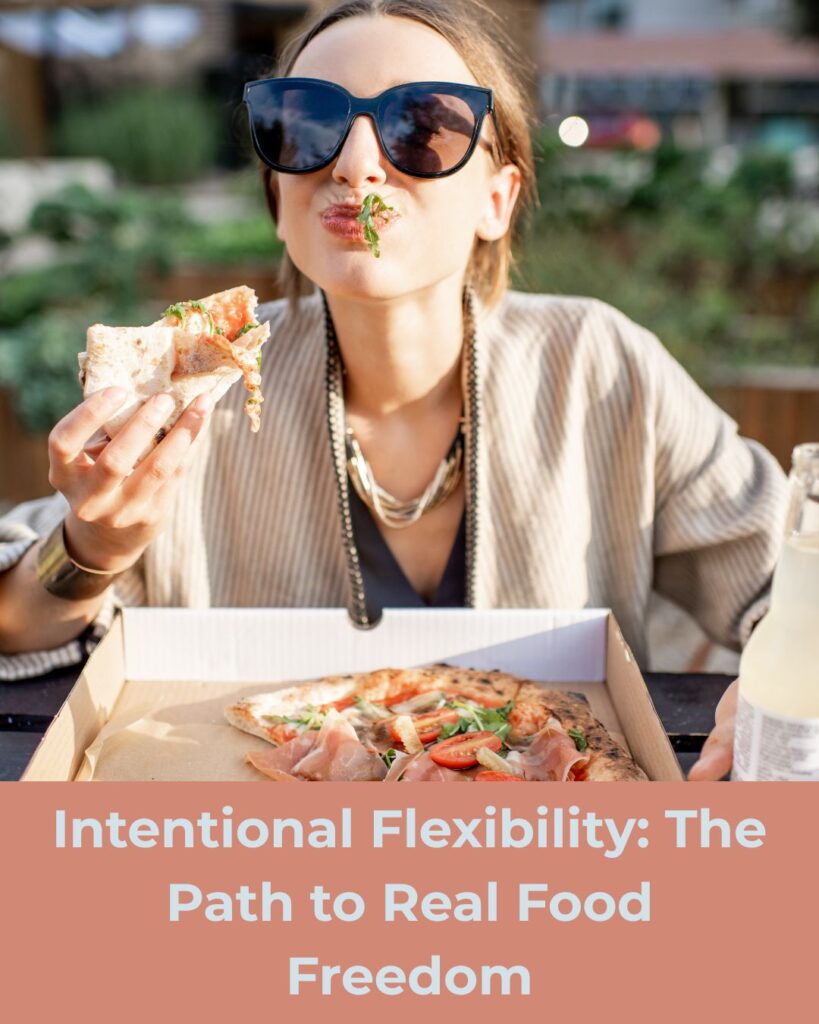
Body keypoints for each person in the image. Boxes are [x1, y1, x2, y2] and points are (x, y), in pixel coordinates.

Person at [0, 0, 787, 780]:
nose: (354, 165)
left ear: (497, 199)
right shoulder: (194, 392)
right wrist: (94, 549)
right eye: (306, 125)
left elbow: (787, 580)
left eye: (421, 126)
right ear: (278, 198)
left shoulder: (600, 369)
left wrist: (770, 688)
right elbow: (13, 621)